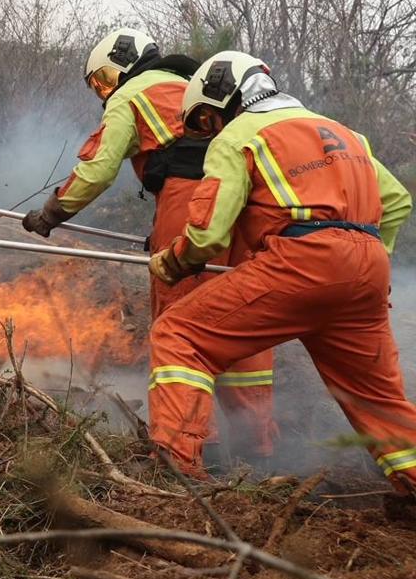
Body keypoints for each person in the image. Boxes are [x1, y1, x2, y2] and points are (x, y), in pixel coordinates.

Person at [148, 50, 416, 493]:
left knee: (178, 334)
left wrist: (173, 262)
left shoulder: (239, 134)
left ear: (222, 97)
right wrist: (366, 260)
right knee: (378, 401)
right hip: (367, 272)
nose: (210, 130)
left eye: (207, 120)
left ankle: (178, 470)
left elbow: (208, 235)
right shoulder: (346, 134)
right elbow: (398, 202)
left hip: (301, 261)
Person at [22, 30, 276, 462]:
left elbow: (98, 169)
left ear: (124, 62)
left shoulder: (132, 93)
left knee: (180, 320)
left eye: (103, 79)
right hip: (246, 204)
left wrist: (52, 213)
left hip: (191, 198)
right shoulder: (190, 85)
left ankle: (192, 451)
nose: (105, 90)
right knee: (238, 320)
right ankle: (260, 449)